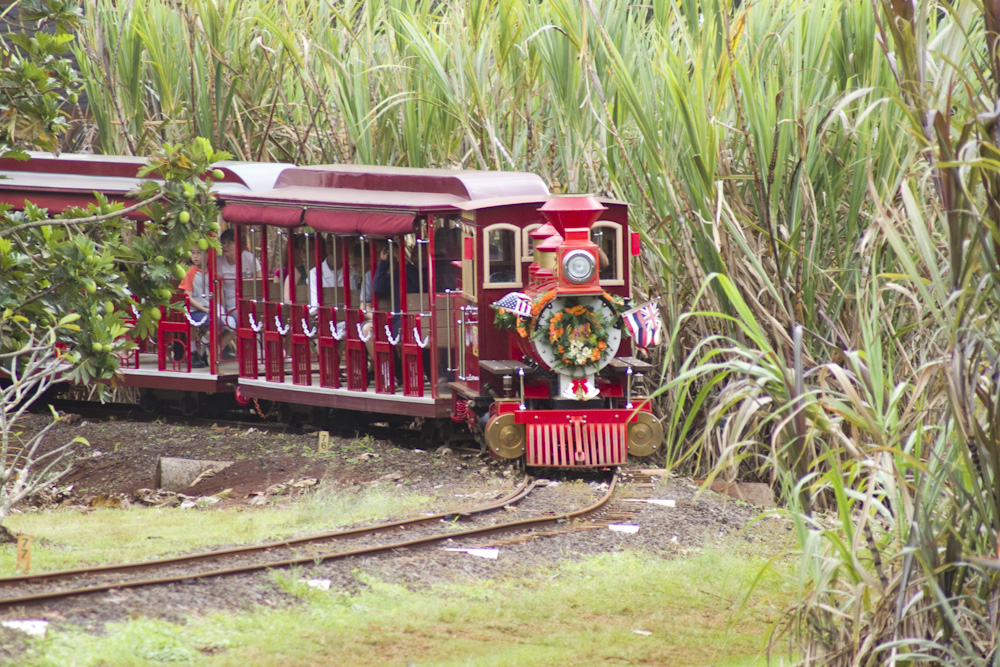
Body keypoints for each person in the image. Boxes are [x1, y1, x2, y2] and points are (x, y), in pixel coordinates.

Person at [216, 228, 261, 359]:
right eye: (223, 242)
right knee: (243, 317)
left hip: (249, 299)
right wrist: (222, 309)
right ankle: (255, 352)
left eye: (230, 242)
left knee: (259, 315)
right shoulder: (219, 262)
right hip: (230, 302)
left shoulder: (249, 258)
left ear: (240, 245)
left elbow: (260, 281)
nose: (225, 246)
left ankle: (220, 347)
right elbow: (219, 289)